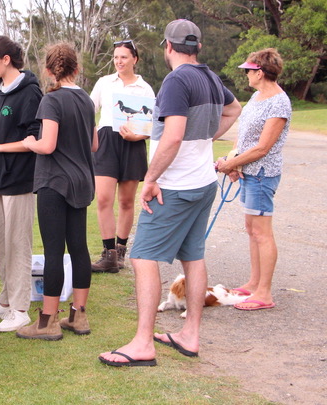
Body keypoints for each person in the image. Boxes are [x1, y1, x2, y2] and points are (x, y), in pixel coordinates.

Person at [98, 19, 241, 366]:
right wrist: (203, 136)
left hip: (175, 187)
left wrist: (150, 179)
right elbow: (233, 109)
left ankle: (143, 343)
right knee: (193, 257)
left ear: (167, 46)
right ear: (199, 48)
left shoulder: (177, 80)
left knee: (142, 256)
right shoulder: (208, 76)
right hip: (203, 183)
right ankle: (189, 335)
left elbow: (174, 136)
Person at [16, 42, 98, 340]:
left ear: (49, 72)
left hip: (54, 182)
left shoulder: (51, 101)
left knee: (53, 250)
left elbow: (47, 144)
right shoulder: (87, 101)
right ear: (77, 69)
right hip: (81, 182)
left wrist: (29, 143)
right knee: (79, 248)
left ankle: (47, 322)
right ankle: (78, 316)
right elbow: (94, 145)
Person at [215, 48, 291, 311]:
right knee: (252, 230)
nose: (245, 75)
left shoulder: (278, 102)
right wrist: (233, 162)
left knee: (262, 232)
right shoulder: (258, 97)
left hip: (262, 174)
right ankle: (254, 283)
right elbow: (245, 137)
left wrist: (231, 164)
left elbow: (262, 148)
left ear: (259, 72)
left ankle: (264, 293)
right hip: (248, 171)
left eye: (248, 70)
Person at [0, 36, 43, 332]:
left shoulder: (30, 92)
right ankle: (5, 301)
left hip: (19, 180)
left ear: (6, 60)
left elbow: (35, 139)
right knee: (0, 245)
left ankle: (20, 308)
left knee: (18, 245)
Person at [90, 40, 156, 273]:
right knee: (103, 199)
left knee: (127, 202)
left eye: (124, 57)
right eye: (116, 57)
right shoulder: (104, 82)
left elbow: (150, 126)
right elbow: (89, 111)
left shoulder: (145, 88)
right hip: (106, 141)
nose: (119, 61)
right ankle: (107, 254)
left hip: (132, 145)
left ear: (134, 59)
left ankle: (120, 253)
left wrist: (136, 138)